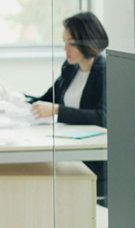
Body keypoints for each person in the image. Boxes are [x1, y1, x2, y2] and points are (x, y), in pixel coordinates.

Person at [29, 11, 108, 205]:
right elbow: (47, 99)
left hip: (92, 157)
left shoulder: (105, 71)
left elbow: (103, 117)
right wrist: (18, 100)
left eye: (71, 43)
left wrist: (57, 110)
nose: (66, 49)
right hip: (69, 147)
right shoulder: (70, 67)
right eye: (65, 42)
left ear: (87, 41)